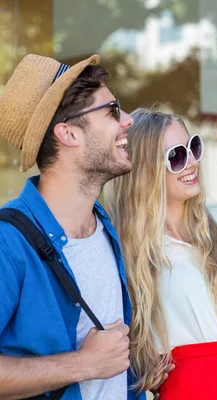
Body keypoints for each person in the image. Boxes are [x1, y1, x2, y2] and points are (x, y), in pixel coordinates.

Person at [104, 108, 217, 399]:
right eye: (176, 156)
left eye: (194, 147)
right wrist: (142, 369)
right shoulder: (127, 249)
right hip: (195, 387)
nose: (192, 162)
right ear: (145, 170)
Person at [0, 54, 144, 399]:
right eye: (112, 110)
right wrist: (84, 364)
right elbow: (96, 362)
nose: (127, 121)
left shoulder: (107, 228)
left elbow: (112, 359)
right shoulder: (8, 242)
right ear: (68, 133)